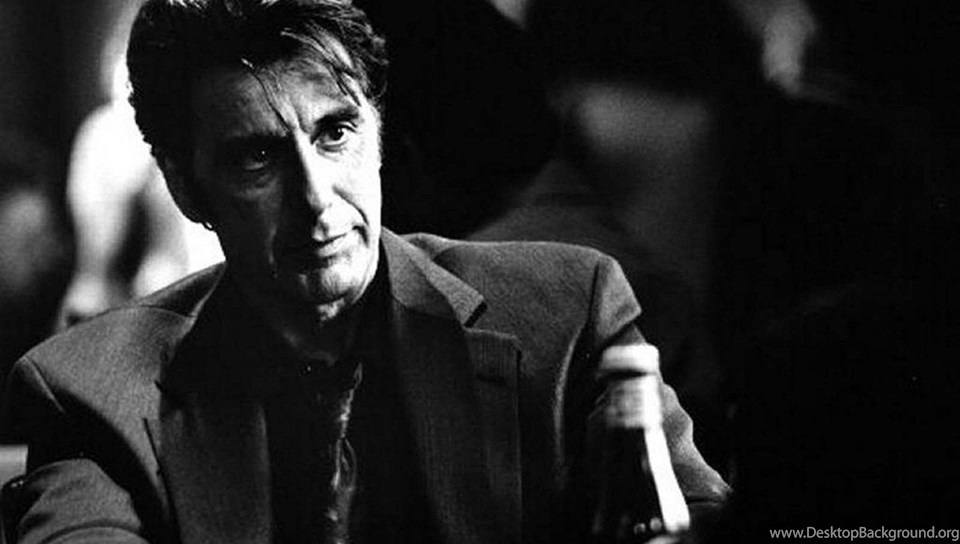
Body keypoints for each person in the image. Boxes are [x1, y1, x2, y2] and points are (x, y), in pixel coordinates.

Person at [0, 1, 728, 543]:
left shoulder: (569, 316)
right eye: (258, 157)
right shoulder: (90, 391)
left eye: (335, 133)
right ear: (186, 188)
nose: (317, 201)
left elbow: (692, 525)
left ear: (378, 136)